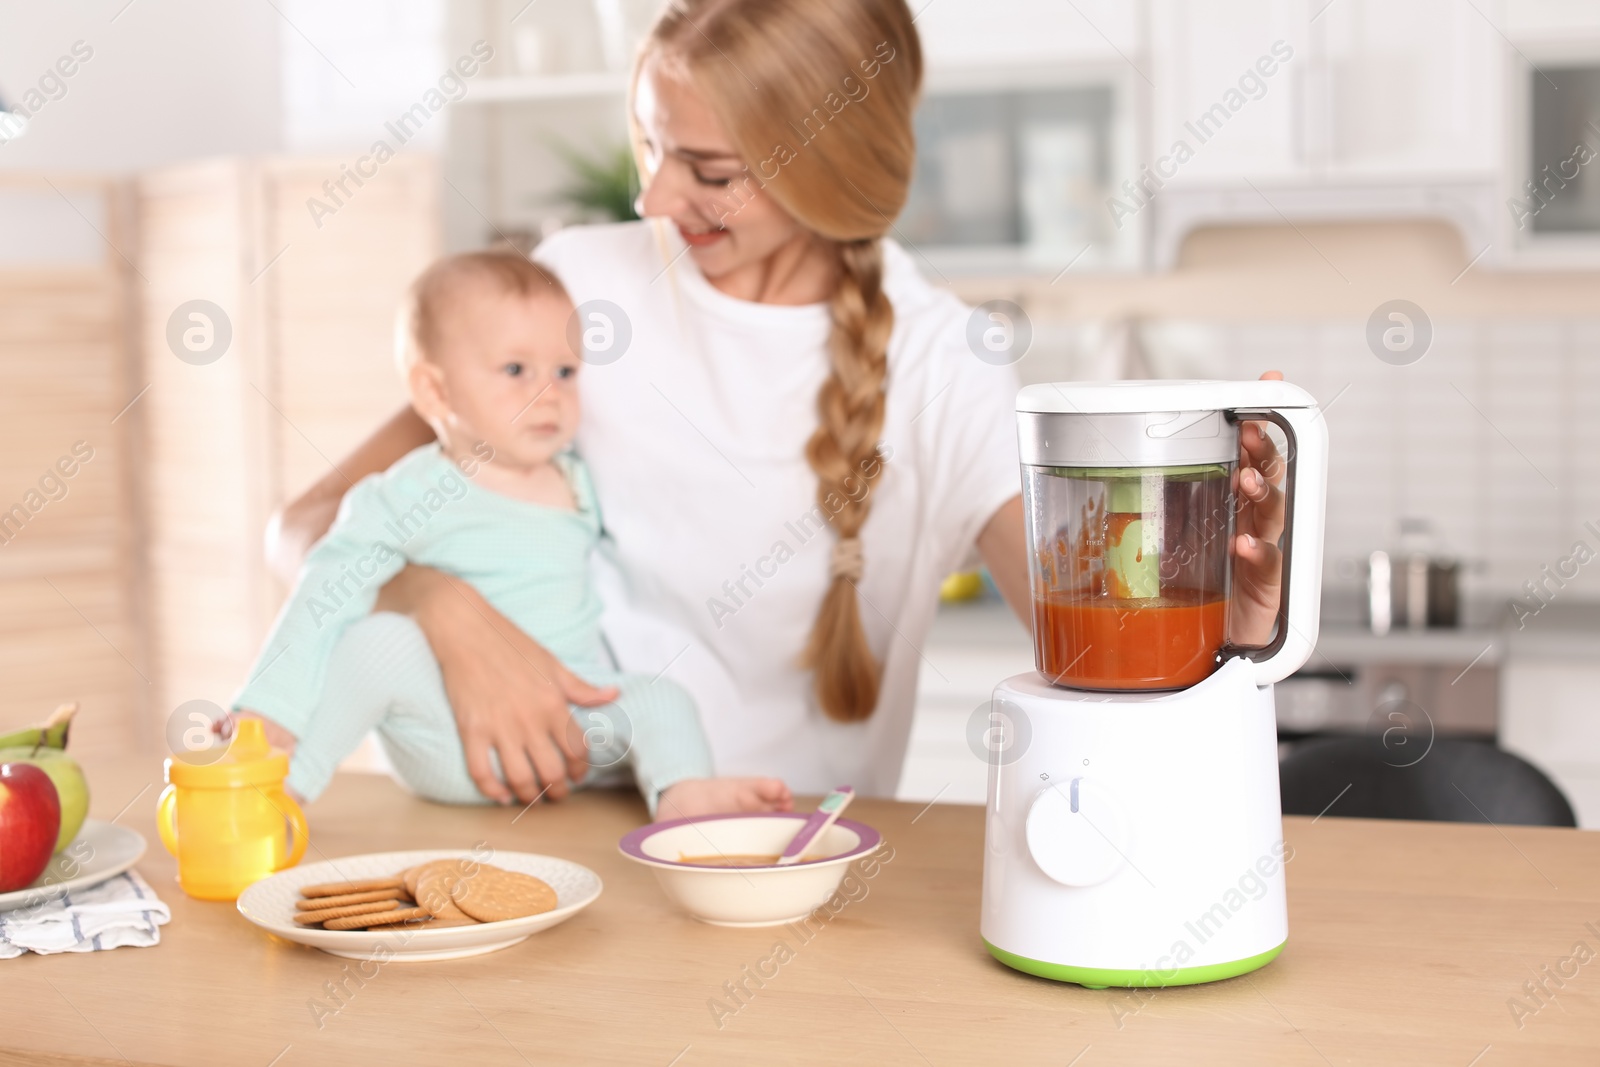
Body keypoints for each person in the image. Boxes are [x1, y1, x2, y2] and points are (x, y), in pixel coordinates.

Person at [267, 0, 1287, 806]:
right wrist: (439, 605)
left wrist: (1228, 627)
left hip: (789, 874)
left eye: (708, 171)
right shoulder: (576, 294)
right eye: (649, 145)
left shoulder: (942, 364)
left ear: (830, 171)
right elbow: (304, 527)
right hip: (555, 833)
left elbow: (1092, 658)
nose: (654, 201)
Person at [233, 251, 791, 817]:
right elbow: (324, 586)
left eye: (565, 372)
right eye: (516, 370)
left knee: (663, 697)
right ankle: (282, 793)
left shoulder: (579, 479)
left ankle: (683, 798)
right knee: (374, 645)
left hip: (566, 726)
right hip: (447, 736)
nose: (549, 394)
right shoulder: (406, 493)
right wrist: (268, 704)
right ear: (436, 393)